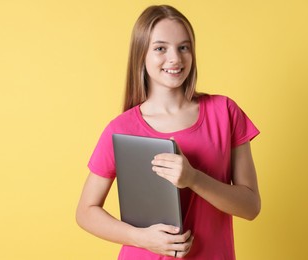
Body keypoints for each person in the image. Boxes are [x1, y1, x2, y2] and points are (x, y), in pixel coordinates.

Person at [76, 4, 261, 260]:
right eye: (161, 48)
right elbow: (85, 211)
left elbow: (250, 207)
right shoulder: (121, 128)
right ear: (142, 54)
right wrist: (142, 238)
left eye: (183, 47)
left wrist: (193, 178)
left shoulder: (225, 112)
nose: (175, 58)